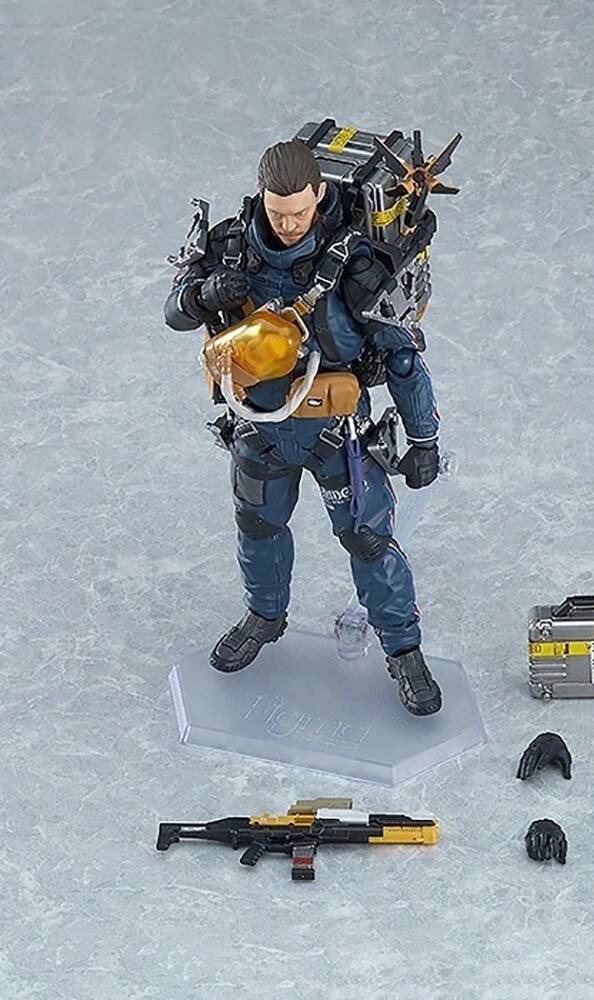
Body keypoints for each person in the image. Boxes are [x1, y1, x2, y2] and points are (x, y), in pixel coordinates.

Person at [163, 138, 443, 716]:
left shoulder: (355, 264)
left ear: (319, 194)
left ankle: (404, 651)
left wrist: (424, 440)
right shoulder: (232, 248)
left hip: (335, 433)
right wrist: (206, 293)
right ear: (261, 196)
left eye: (298, 212)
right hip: (259, 428)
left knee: (369, 542)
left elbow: (402, 356)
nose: (288, 225)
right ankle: (264, 617)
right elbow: (174, 311)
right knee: (258, 527)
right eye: (277, 211)